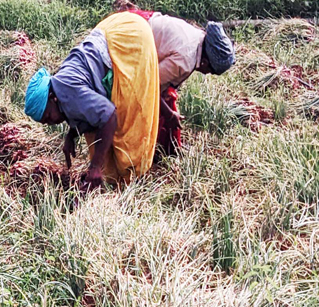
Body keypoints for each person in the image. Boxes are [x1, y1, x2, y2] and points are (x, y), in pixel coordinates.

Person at [23, 11, 160, 190]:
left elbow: (109, 115)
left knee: (129, 125)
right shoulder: (60, 85)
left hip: (130, 40)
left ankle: (135, 184)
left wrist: (95, 167)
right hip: (115, 26)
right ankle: (110, 183)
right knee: (98, 135)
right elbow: (81, 107)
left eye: (48, 116)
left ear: (52, 97)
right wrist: (71, 135)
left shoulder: (67, 89)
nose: (52, 122)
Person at [127, 11, 235, 157]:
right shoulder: (185, 60)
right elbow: (147, 86)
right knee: (138, 108)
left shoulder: (197, 37)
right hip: (129, 40)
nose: (206, 74)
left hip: (136, 22)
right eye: (210, 71)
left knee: (168, 98)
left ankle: (165, 149)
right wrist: (169, 114)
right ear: (205, 62)